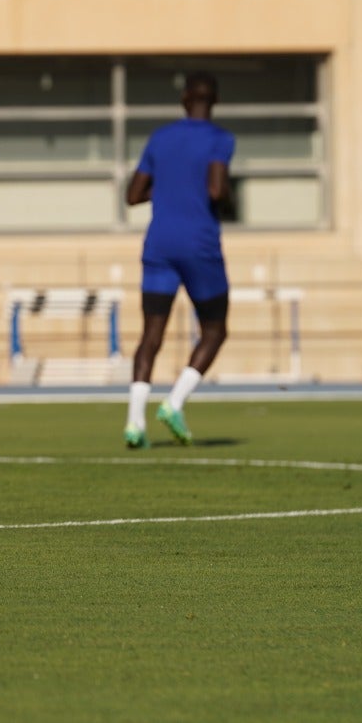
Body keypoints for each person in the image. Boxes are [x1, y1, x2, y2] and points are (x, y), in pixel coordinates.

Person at [123, 71, 234, 449]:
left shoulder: (160, 138)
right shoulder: (220, 139)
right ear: (214, 100)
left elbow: (133, 195)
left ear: (185, 99)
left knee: (151, 334)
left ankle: (135, 423)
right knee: (215, 330)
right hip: (199, 245)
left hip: (159, 245)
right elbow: (217, 189)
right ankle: (173, 403)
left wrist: (168, 186)